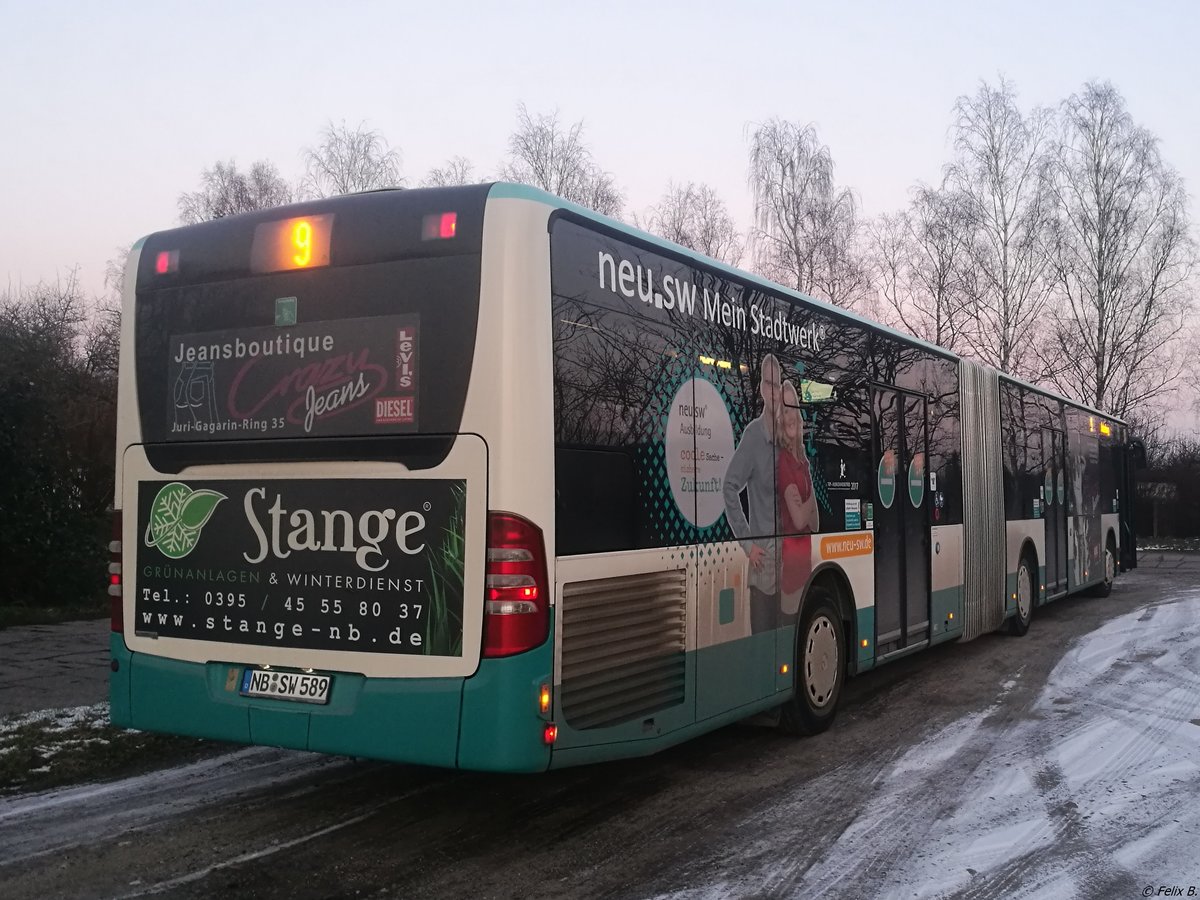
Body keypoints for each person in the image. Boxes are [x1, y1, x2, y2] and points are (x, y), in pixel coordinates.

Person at [723, 354, 783, 634]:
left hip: (791, 572)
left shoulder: (789, 436)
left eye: (778, 384)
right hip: (764, 575)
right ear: (761, 388)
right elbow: (729, 488)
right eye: (768, 383)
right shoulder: (753, 435)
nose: (773, 390)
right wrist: (748, 544)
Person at [777, 380, 819, 618]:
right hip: (792, 576)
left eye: (793, 408)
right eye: (784, 409)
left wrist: (808, 508)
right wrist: (810, 502)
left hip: (807, 568)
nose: (789, 415)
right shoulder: (784, 462)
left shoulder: (802, 461)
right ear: (780, 419)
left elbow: (815, 523)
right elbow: (800, 518)